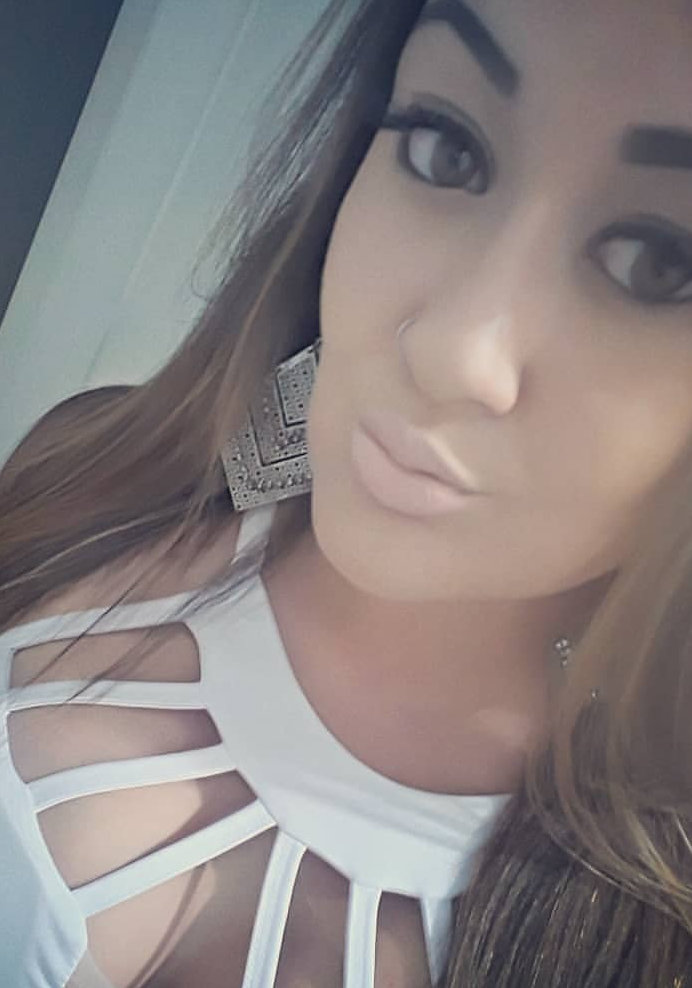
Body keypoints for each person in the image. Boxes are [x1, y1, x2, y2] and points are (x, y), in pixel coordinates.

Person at [1, 0, 692, 984]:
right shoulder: (103, 470)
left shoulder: (627, 941)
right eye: (446, 149)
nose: (451, 350)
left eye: (659, 265)